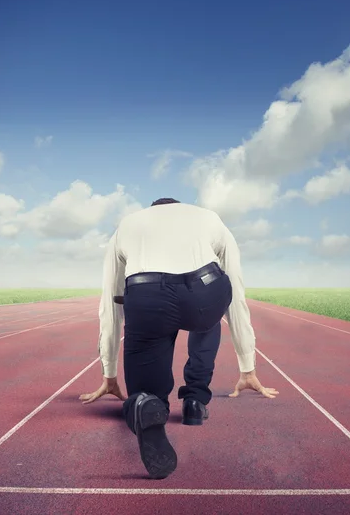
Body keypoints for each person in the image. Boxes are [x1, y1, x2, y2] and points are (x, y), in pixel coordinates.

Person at [79, 198, 278, 479]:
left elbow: (110, 303)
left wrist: (109, 374)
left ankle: (148, 403)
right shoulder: (210, 217)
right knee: (209, 316)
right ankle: (195, 401)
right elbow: (237, 291)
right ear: (180, 206)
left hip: (147, 295)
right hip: (204, 293)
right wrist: (247, 366)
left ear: (152, 209)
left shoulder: (126, 225)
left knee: (145, 379)